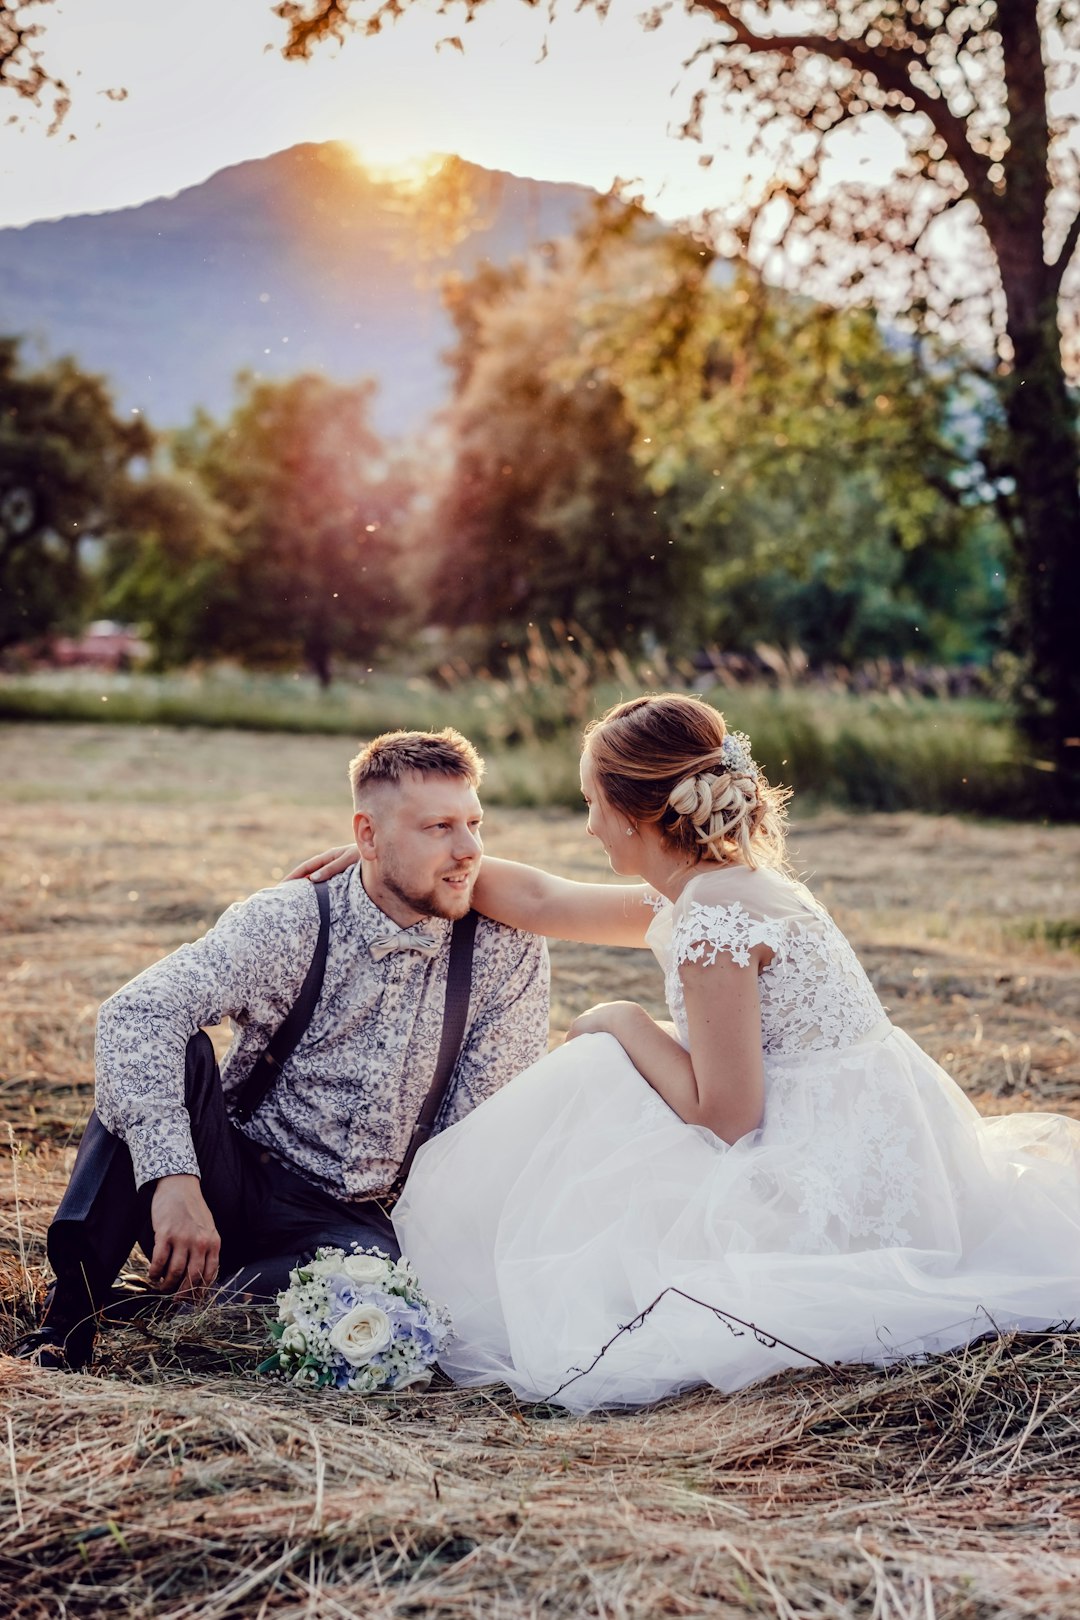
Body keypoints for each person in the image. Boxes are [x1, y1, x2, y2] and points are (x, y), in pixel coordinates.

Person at [293, 693, 1080, 1413]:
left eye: (591, 804)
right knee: (617, 1069)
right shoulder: (723, 886)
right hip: (865, 1131)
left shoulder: (713, 922)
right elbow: (541, 900)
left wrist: (624, 1018)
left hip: (829, 1175)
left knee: (603, 1063)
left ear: (636, 815)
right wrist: (391, 852)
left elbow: (730, 1117)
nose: (589, 827)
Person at [17, 728, 549, 1370]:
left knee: (376, 1300)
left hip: (355, 1222)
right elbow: (137, 1011)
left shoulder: (507, 948)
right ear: (368, 836)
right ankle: (69, 1317)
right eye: (438, 827)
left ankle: (185, 1307)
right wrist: (173, 1177)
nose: (469, 851)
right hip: (233, 1172)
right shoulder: (293, 919)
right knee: (164, 1055)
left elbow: (477, 1132)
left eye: (474, 822)